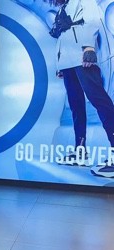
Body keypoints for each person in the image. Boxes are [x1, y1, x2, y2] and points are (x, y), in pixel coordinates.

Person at [49, 0, 114, 177]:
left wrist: (89, 48)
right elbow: (62, 36)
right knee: (76, 106)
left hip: (82, 58)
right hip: (68, 62)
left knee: (99, 101)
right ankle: (80, 151)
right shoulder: (63, 7)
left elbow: (92, 19)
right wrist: (60, 64)